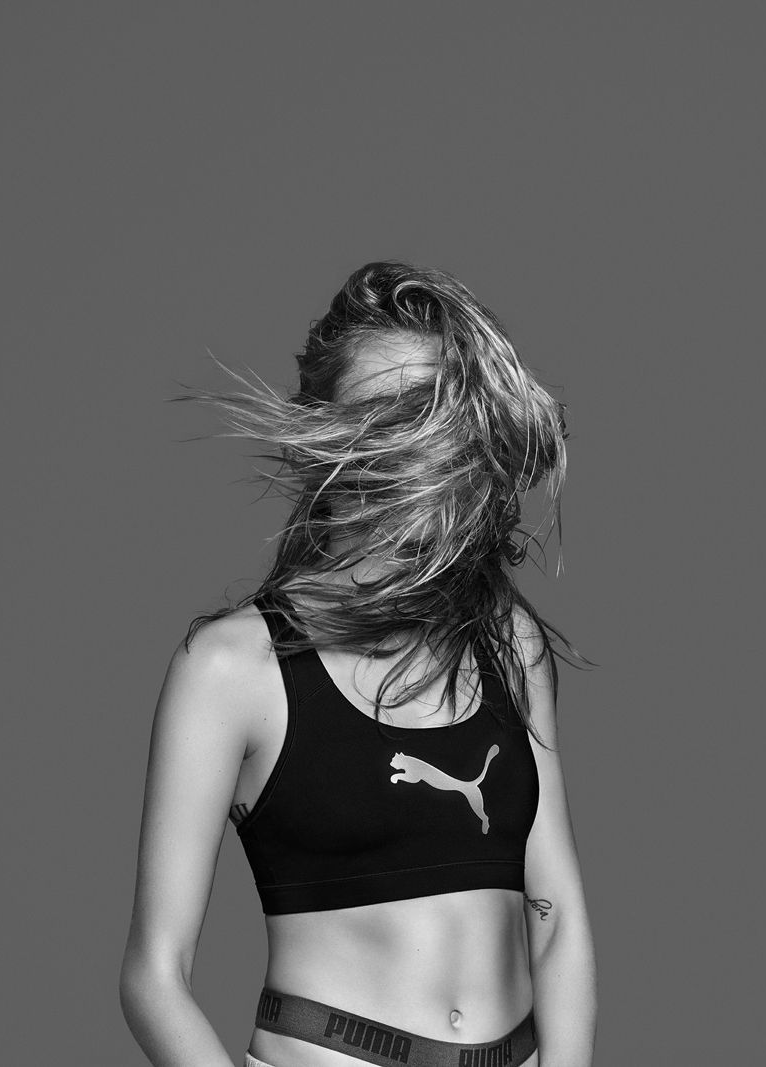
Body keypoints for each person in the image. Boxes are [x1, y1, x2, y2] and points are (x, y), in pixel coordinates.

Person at [119, 261, 597, 1066]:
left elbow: (559, 921)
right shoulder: (233, 669)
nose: (408, 449)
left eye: (433, 416)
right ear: (322, 438)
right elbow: (153, 975)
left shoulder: (507, 641)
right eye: (381, 419)